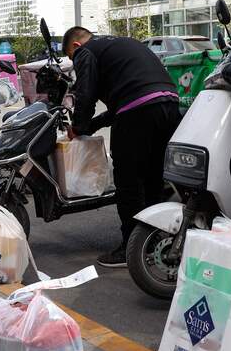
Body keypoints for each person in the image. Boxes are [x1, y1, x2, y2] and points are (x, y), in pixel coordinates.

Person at [62, 26, 181, 268]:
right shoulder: (121, 44)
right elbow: (121, 105)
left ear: (75, 46)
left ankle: (130, 247)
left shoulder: (86, 52)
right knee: (153, 179)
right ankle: (155, 240)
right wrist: (90, 126)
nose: (76, 63)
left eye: (71, 59)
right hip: (169, 104)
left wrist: (79, 125)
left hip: (137, 111)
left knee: (128, 181)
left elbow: (86, 94)